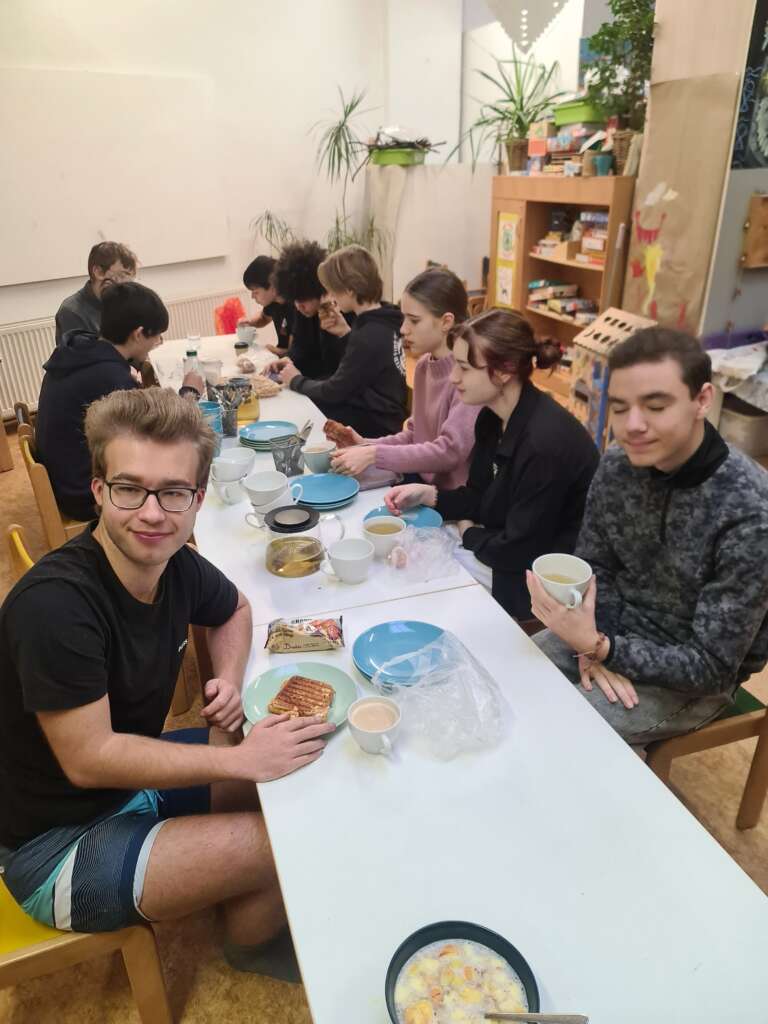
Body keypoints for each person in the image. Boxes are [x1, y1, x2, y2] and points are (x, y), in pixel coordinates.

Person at [0, 388, 333, 979]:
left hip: (130, 788)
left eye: (174, 492)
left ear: (198, 499)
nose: (152, 513)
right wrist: (239, 760)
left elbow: (234, 609)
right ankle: (250, 947)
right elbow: (90, 760)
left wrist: (227, 680)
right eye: (130, 488)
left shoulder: (173, 563)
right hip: (52, 846)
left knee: (298, 784)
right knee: (290, 836)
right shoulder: (56, 607)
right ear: (98, 491)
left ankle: (226, 881)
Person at [528, 327, 768, 745]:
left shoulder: (750, 510)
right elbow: (597, 568)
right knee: (512, 676)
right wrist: (596, 646)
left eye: (655, 406)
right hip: (609, 631)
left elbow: (713, 666)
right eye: (620, 408)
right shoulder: (617, 466)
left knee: (562, 732)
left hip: (692, 675)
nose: (632, 426)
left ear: (702, 400)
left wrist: (606, 650)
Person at [384, 309, 599, 620]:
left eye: (464, 367)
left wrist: (468, 533)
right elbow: (479, 495)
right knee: (408, 558)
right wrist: (429, 495)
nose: (453, 378)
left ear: (505, 371)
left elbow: (518, 549)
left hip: (542, 578)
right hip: (505, 544)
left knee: (424, 584)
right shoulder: (491, 417)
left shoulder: (544, 442)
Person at [36, 281, 204, 522]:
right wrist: (190, 393)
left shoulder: (81, 350)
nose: (158, 342)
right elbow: (160, 437)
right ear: (138, 334)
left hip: (66, 477)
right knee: (183, 476)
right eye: (157, 336)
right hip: (84, 493)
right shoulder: (110, 378)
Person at [330, 267, 479, 488]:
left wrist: (374, 454)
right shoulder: (423, 367)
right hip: (420, 482)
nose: (403, 329)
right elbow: (414, 436)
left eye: (414, 321)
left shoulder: (469, 377)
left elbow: (449, 452)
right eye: (404, 319)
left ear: (446, 322)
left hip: (450, 498)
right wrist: (365, 445)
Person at [275, 244, 407, 438]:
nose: (331, 296)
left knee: (299, 413)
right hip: (379, 413)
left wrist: (296, 380)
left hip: (376, 424)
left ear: (350, 290)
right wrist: (345, 334)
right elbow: (362, 368)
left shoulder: (368, 333)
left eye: (333, 290)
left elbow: (335, 390)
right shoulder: (385, 319)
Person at [271, 240, 351, 379]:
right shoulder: (302, 309)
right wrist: (288, 360)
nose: (298, 307)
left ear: (320, 289)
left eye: (303, 300)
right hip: (311, 384)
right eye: (295, 300)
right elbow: (299, 347)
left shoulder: (343, 312)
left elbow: (335, 369)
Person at [55, 241, 137, 345]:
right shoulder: (71, 311)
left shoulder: (121, 302)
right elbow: (85, 354)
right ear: (98, 272)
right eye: (123, 275)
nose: (128, 284)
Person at [240, 255, 294, 356]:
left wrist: (268, 349)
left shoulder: (296, 306)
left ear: (272, 286)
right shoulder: (273, 302)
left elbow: (294, 353)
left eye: (255, 292)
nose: (252, 296)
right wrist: (249, 322)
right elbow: (263, 318)